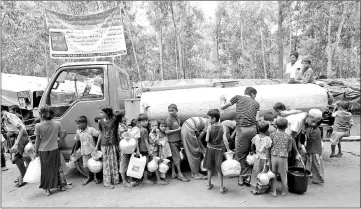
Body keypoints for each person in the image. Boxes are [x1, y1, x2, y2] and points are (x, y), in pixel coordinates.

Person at [220, 87, 260, 187]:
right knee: (252, 152)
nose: (255, 97)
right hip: (253, 129)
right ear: (252, 94)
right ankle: (251, 176)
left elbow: (223, 107)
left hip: (242, 130)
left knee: (240, 154)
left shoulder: (237, 97)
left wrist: (222, 100)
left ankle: (242, 178)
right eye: (255, 95)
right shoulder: (256, 104)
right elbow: (257, 120)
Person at [34, 105, 69, 196]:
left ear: (41, 115)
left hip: (43, 150)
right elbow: (61, 136)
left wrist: (35, 152)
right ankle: (62, 186)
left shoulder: (38, 126)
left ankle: (47, 189)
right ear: (52, 114)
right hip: (55, 149)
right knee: (58, 168)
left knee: (46, 170)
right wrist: (64, 133)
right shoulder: (58, 123)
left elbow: (37, 141)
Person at [1, 109, 31, 187]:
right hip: (14, 137)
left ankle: (24, 177)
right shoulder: (4, 118)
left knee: (15, 158)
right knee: (19, 157)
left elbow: (21, 129)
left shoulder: (9, 116)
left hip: (20, 137)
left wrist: (16, 144)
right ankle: (24, 174)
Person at [203, 109, 230, 194]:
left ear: (213, 119)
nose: (207, 120)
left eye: (208, 118)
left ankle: (209, 185)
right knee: (219, 169)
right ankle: (221, 188)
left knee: (209, 168)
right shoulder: (223, 127)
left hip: (210, 149)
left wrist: (207, 131)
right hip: (219, 150)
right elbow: (225, 139)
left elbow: (207, 140)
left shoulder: (210, 127)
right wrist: (228, 150)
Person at [94, 106, 120, 189]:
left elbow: (117, 132)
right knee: (106, 164)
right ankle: (107, 182)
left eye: (101, 112)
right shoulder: (100, 122)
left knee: (114, 161)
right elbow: (100, 134)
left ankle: (115, 180)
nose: (100, 114)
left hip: (113, 144)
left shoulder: (115, 121)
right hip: (104, 145)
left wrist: (119, 143)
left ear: (107, 113)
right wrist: (96, 146)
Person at [273, 102, 303, 167]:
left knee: (292, 153)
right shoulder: (279, 116)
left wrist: (299, 141)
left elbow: (298, 129)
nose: (276, 113)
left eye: (277, 111)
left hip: (291, 137)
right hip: (285, 138)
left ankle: (292, 166)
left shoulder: (290, 114)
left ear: (281, 109)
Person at [269, 117, 293, 197]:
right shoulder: (289, 137)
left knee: (273, 173)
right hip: (283, 157)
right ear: (286, 126)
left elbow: (269, 145)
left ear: (276, 126)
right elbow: (289, 149)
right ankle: (284, 191)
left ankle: (274, 191)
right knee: (283, 174)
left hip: (273, 156)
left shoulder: (272, 135)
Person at [166, 104, 189, 182]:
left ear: (177, 110)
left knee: (175, 157)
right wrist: (177, 130)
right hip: (172, 141)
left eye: (172, 110)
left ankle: (173, 173)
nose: (170, 112)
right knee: (177, 158)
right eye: (169, 111)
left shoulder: (178, 118)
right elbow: (167, 131)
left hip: (178, 140)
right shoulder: (168, 119)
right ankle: (179, 174)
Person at [74, 116, 100, 186]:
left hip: (92, 152)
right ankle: (88, 177)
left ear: (84, 123)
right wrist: (74, 150)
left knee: (94, 165)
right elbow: (77, 142)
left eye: (78, 123)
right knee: (86, 166)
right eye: (77, 124)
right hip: (84, 152)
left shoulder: (91, 130)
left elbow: (98, 136)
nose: (77, 125)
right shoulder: (78, 132)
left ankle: (95, 177)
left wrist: (97, 148)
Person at [115, 110, 138, 188]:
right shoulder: (121, 126)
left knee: (128, 163)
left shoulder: (123, 125)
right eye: (126, 115)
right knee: (123, 163)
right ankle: (124, 181)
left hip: (128, 147)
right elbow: (125, 137)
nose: (127, 116)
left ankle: (129, 179)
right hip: (124, 148)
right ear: (122, 117)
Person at [250, 120, 272, 195]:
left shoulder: (255, 137)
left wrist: (253, 151)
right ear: (267, 130)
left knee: (256, 172)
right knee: (263, 174)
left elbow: (252, 145)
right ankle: (261, 189)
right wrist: (269, 160)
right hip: (264, 159)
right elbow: (267, 151)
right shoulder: (267, 139)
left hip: (257, 157)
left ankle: (254, 189)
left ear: (258, 129)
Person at [304, 109, 324, 184]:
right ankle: (314, 178)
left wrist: (307, 133)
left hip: (314, 151)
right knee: (314, 166)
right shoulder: (316, 129)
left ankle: (317, 179)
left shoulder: (315, 132)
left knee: (315, 166)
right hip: (314, 150)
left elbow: (310, 140)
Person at [148, 120, 169, 185]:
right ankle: (158, 180)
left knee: (159, 163)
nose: (155, 127)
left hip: (157, 150)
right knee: (155, 164)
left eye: (156, 125)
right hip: (153, 151)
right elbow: (157, 142)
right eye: (153, 126)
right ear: (150, 127)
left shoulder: (156, 133)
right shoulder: (151, 134)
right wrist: (157, 134)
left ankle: (160, 178)